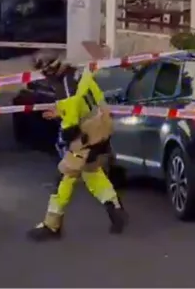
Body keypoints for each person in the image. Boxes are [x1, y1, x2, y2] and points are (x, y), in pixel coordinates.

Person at [27, 55, 126, 241]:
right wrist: (60, 111)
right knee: (92, 172)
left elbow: (70, 128)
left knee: (64, 176)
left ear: (51, 73)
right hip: (102, 126)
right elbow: (90, 101)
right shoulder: (80, 74)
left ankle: (51, 225)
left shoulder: (66, 89)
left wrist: (63, 128)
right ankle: (116, 209)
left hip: (86, 135)